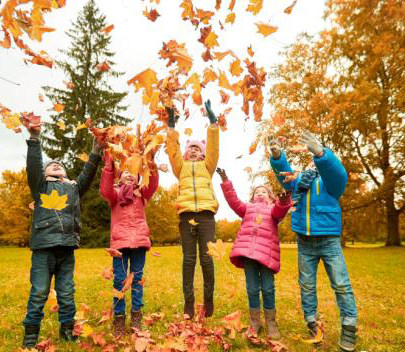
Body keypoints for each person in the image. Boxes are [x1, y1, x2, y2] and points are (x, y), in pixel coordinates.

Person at [269, 131, 358, 351]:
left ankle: (349, 327)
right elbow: (284, 175)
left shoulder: (331, 183)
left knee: (341, 284)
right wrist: (278, 156)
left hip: (329, 241)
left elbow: (338, 173)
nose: (312, 161)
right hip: (305, 242)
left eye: (315, 157)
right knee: (307, 286)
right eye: (311, 157)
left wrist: (321, 153)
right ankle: (312, 324)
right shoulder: (299, 181)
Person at [22, 122, 102, 349]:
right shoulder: (40, 187)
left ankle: (67, 331)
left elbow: (87, 173)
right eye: (51, 164)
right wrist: (35, 139)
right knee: (39, 292)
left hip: (66, 248)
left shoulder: (73, 188)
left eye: (59, 164)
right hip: (43, 248)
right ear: (45, 174)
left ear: (66, 174)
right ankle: (30, 336)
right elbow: (33, 167)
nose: (55, 164)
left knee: (67, 293)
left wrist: (96, 150)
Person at [217, 167, 291, 339]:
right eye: (257, 192)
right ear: (252, 197)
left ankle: (271, 322)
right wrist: (225, 180)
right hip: (248, 254)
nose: (260, 193)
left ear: (271, 196)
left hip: (266, 256)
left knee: (268, 288)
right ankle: (255, 322)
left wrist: (284, 200)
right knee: (252, 289)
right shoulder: (247, 208)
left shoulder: (273, 209)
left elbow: (281, 209)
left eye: (264, 191)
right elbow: (233, 201)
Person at [165, 100, 220, 319]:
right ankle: (189, 303)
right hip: (186, 215)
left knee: (206, 259)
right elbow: (173, 152)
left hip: (206, 215)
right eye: (191, 148)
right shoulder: (181, 168)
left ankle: (208, 300)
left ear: (203, 152)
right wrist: (171, 127)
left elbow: (214, 149)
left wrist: (213, 123)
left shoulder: (208, 166)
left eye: (198, 148)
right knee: (189, 260)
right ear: (187, 153)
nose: (194, 150)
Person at [99, 151, 160, 336]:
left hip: (139, 241)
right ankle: (119, 318)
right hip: (119, 243)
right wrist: (109, 162)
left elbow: (153, 183)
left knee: (137, 279)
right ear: (119, 176)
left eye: (132, 170)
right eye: (125, 171)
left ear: (138, 175)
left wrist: (150, 161)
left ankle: (136, 317)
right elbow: (105, 189)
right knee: (119, 279)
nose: (128, 173)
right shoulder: (115, 195)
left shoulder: (141, 193)